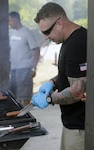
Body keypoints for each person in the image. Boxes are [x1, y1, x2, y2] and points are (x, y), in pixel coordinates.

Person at [31, 2, 87, 150]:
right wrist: (52, 82)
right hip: (71, 124)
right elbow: (68, 72)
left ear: (60, 23)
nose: (45, 37)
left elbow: (78, 91)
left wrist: (49, 99)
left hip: (81, 128)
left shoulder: (79, 43)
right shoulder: (69, 40)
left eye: (47, 32)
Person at [9, 11, 40, 106]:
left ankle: (26, 117)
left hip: (25, 68)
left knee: (25, 96)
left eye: (9, 21)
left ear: (15, 20)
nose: (8, 23)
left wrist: (33, 68)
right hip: (14, 69)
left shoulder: (27, 32)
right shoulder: (11, 32)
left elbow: (36, 50)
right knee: (12, 95)